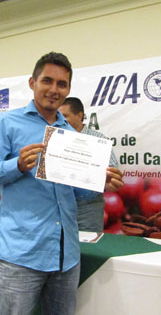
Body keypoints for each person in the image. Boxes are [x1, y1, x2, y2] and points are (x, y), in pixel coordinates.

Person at [0, 52, 121, 315]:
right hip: (22, 254)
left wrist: (100, 184)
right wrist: (16, 165)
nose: (54, 90)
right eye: (47, 81)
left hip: (67, 255)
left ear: (68, 89)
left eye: (61, 84)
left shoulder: (69, 133)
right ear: (32, 83)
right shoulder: (7, 123)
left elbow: (75, 192)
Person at [59, 97, 123, 232]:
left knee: (87, 248)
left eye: (65, 115)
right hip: (59, 206)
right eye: (58, 116)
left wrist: (107, 180)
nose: (61, 120)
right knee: (60, 247)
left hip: (87, 208)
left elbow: (112, 171)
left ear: (79, 116)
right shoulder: (56, 139)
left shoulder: (98, 140)